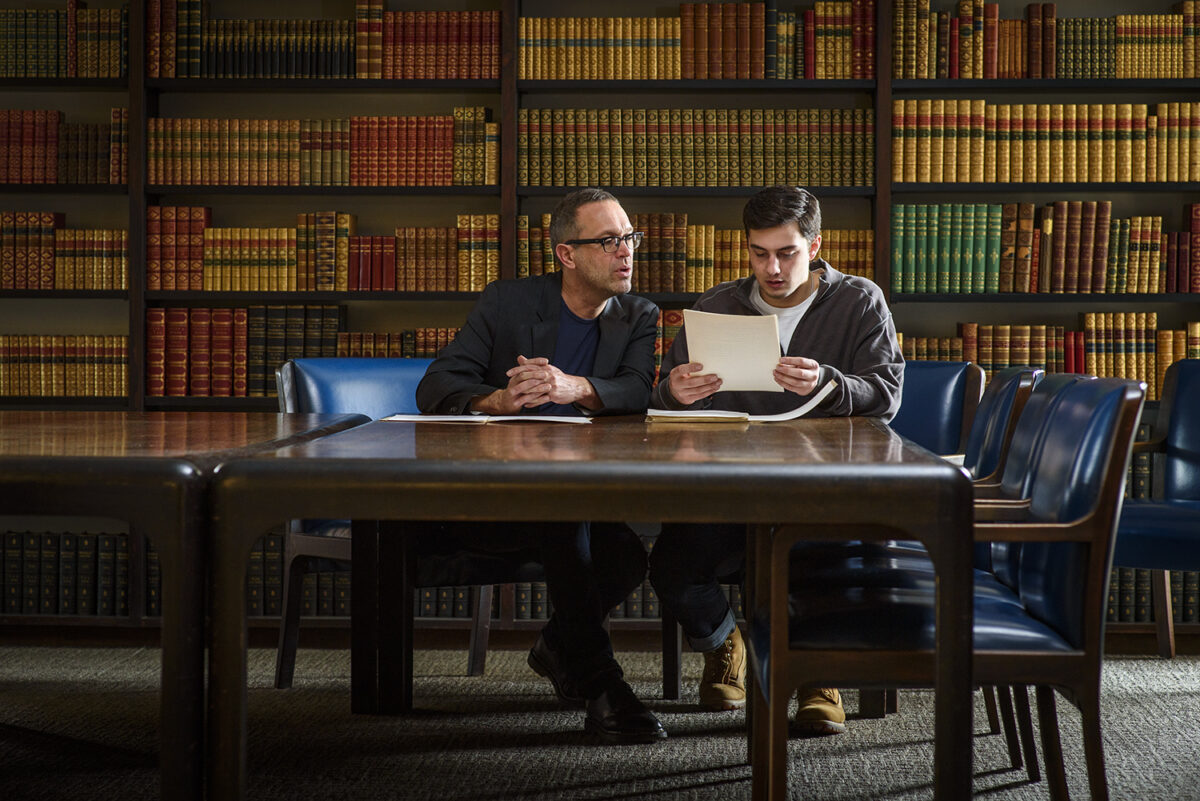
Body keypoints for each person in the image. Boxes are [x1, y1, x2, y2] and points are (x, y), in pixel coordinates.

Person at [648, 184, 903, 735]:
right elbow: (659, 400)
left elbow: (887, 392)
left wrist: (830, 383)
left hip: (822, 486)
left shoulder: (859, 300)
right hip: (727, 486)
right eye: (759, 253)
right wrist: (675, 392)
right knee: (671, 568)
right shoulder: (716, 305)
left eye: (786, 252)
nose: (773, 268)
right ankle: (725, 644)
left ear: (814, 246)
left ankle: (819, 672)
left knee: (819, 561)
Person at [415, 187, 666, 744]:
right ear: (567, 255)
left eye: (629, 237)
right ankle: (603, 687)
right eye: (608, 240)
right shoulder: (506, 302)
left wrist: (572, 386)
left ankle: (557, 646)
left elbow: (633, 390)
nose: (626, 251)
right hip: (497, 494)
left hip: (584, 493)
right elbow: (436, 385)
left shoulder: (638, 315)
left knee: (624, 556)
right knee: (566, 520)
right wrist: (496, 401)